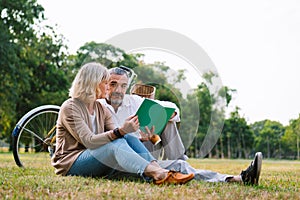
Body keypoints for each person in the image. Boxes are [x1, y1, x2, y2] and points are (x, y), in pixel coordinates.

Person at [51, 62, 195, 185]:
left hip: (96, 159)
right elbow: (89, 141)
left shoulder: (100, 108)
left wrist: (136, 136)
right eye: (106, 83)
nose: (109, 88)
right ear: (93, 83)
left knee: (127, 138)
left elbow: (121, 136)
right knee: (115, 142)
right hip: (71, 163)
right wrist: (121, 131)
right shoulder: (70, 107)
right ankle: (158, 173)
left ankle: (158, 171)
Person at [98, 67, 187, 160]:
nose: (118, 90)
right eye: (113, 84)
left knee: (168, 121)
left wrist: (164, 115)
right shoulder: (98, 106)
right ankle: (173, 167)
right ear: (105, 85)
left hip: (145, 149)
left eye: (123, 86)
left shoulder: (134, 101)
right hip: (118, 156)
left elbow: (172, 107)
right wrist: (137, 139)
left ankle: (179, 160)